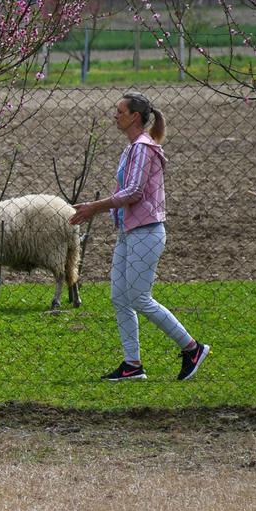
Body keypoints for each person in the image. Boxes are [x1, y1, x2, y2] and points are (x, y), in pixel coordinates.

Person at [70, 91, 210, 382]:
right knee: (120, 297)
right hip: (130, 232)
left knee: (139, 297)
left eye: (120, 111)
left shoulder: (143, 148)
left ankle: (192, 347)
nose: (115, 115)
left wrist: (94, 207)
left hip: (146, 233)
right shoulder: (132, 148)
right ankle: (132, 365)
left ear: (135, 116)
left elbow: (134, 191)